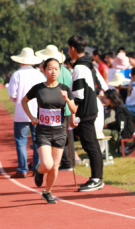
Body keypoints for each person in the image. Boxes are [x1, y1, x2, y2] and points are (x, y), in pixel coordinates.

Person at [22, 59, 77, 203]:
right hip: (43, 132)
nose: (53, 72)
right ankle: (39, 170)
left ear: (60, 71)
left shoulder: (64, 88)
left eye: (56, 69)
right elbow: (24, 101)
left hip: (60, 131)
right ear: (44, 70)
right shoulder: (38, 88)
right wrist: (32, 117)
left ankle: (47, 192)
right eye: (50, 69)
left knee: (55, 167)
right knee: (47, 164)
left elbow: (74, 109)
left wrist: (67, 99)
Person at [69, 35, 105, 192]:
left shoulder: (79, 67)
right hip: (92, 107)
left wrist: (72, 112)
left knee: (90, 145)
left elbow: (78, 94)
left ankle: (97, 179)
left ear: (72, 49)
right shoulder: (90, 65)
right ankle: (97, 178)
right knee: (92, 145)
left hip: (84, 111)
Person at [7, 48, 46, 179]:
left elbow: (12, 94)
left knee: (21, 141)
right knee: (37, 140)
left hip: (21, 112)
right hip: (37, 112)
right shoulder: (40, 74)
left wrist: (18, 100)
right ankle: (36, 167)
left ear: (21, 61)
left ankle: (22, 169)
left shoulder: (17, 74)